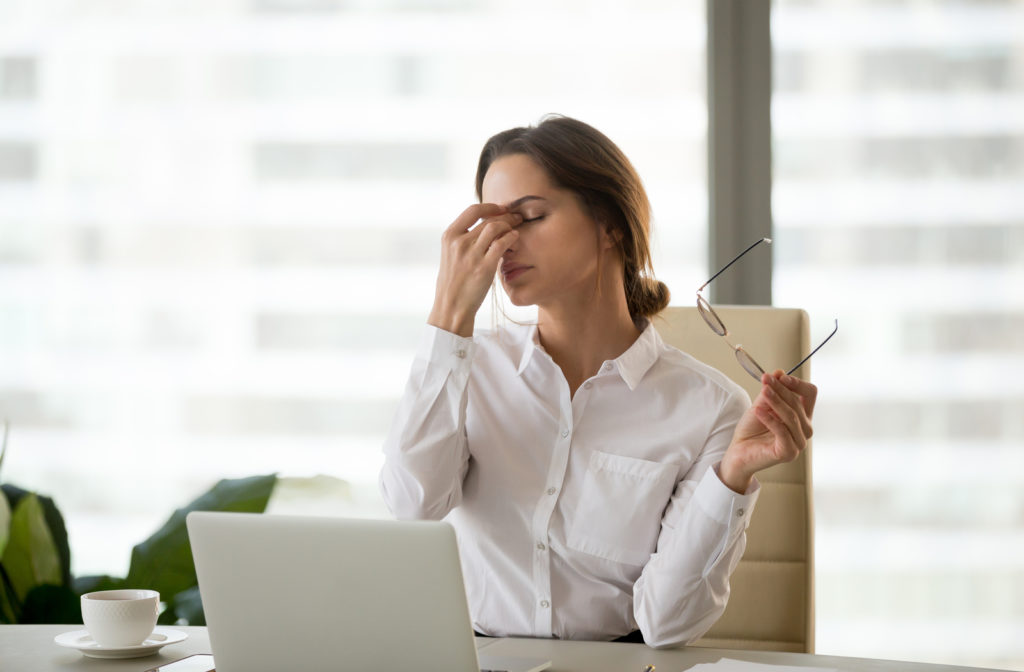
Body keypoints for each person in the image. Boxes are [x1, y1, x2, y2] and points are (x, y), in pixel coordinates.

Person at [379, 115, 817, 648]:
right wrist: (448, 317)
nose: (503, 246)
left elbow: (665, 624)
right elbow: (413, 505)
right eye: (492, 227)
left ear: (610, 224)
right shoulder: (466, 367)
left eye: (530, 217)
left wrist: (730, 479)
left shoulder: (711, 408)